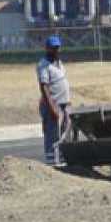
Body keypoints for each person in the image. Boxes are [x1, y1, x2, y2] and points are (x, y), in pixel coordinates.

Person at [37, 35, 71, 165]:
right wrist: (52, 107)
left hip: (64, 104)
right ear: (47, 49)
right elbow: (44, 87)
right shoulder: (44, 65)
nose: (56, 51)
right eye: (53, 48)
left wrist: (68, 100)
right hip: (53, 105)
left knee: (64, 134)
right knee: (52, 134)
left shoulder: (58, 63)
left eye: (57, 48)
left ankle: (62, 159)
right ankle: (51, 162)